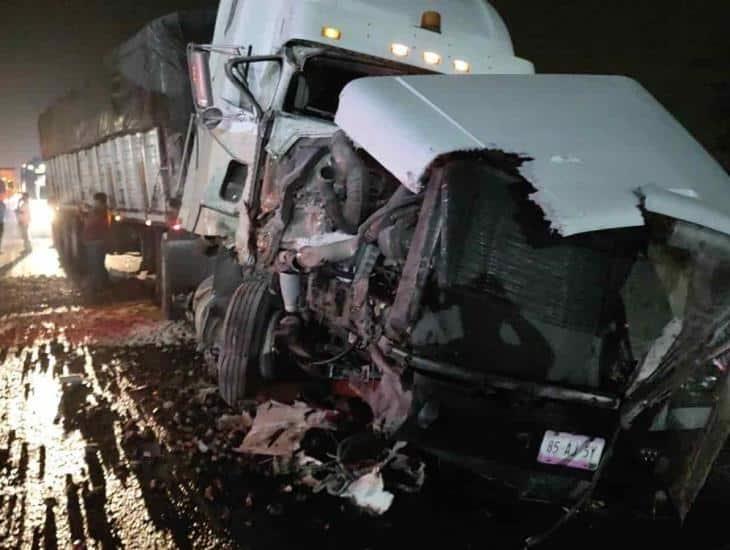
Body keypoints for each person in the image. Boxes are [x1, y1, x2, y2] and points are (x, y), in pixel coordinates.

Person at [82, 192, 111, 292]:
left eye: (95, 201)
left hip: (96, 241)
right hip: (93, 241)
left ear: (99, 201)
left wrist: (87, 209)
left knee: (96, 265)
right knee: (97, 265)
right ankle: (101, 285)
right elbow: (88, 218)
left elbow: (92, 217)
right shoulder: (97, 210)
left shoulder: (100, 210)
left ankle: (100, 287)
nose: (94, 203)